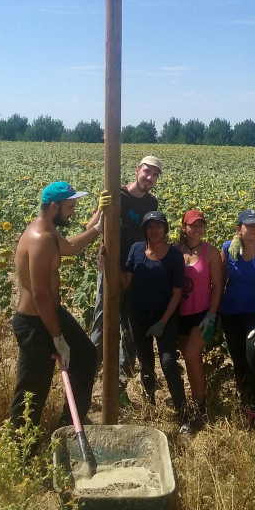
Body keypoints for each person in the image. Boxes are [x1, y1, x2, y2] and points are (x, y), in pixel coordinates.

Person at [9, 181, 106, 431]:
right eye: (70, 206)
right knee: (32, 389)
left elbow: (71, 247)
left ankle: (69, 422)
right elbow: (40, 294)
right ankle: (21, 447)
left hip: (51, 314)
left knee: (85, 356)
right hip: (35, 322)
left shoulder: (49, 231)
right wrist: (58, 337)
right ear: (54, 206)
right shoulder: (40, 238)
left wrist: (99, 223)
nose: (73, 211)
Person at [90, 155, 162, 404]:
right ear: (137, 171)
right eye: (147, 172)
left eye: (155, 175)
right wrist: (101, 211)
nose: (150, 178)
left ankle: (118, 385)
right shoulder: (116, 194)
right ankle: (86, 385)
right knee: (101, 328)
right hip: (109, 269)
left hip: (136, 274)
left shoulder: (152, 203)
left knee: (131, 333)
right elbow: (91, 228)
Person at [121, 210, 188, 432]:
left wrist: (162, 322)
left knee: (168, 363)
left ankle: (183, 414)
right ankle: (149, 409)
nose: (154, 230)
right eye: (150, 226)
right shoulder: (136, 249)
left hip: (165, 317)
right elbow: (126, 282)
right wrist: (105, 263)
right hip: (138, 315)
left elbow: (177, 293)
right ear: (145, 230)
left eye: (159, 226)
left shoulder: (174, 255)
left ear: (165, 229)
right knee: (145, 363)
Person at [220, 209, 255, 428]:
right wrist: (213, 313)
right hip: (230, 313)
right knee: (239, 361)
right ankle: (243, 404)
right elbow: (221, 281)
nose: (254, 229)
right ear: (239, 229)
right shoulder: (228, 249)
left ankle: (254, 408)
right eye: (249, 225)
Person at [175, 209, 222, 428]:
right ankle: (193, 405)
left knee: (191, 355)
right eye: (193, 225)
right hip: (179, 315)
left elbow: (218, 286)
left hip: (201, 314)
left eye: (201, 225)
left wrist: (212, 315)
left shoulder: (210, 252)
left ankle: (200, 409)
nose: (198, 229)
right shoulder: (174, 251)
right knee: (190, 360)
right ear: (184, 227)